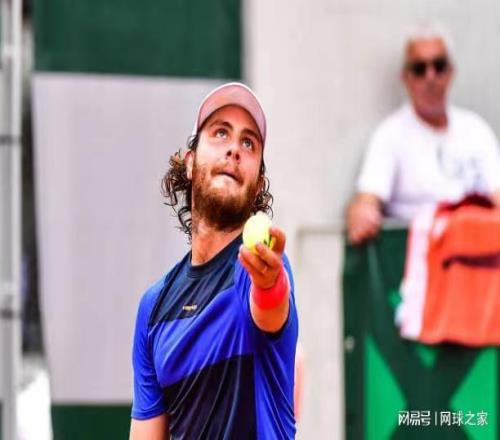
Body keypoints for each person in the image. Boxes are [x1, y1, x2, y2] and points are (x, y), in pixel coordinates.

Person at [129, 82, 298, 439]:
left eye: (249, 143)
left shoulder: (256, 270)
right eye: (221, 133)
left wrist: (270, 284)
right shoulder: (153, 308)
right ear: (190, 163)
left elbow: (269, 305)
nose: (235, 149)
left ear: (258, 184)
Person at [347, 25, 500, 244]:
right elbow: (367, 199)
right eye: (420, 68)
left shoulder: (476, 130)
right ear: (406, 77)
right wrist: (361, 212)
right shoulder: (390, 135)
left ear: (450, 72)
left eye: (438, 66)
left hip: (476, 252)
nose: (430, 77)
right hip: (420, 256)